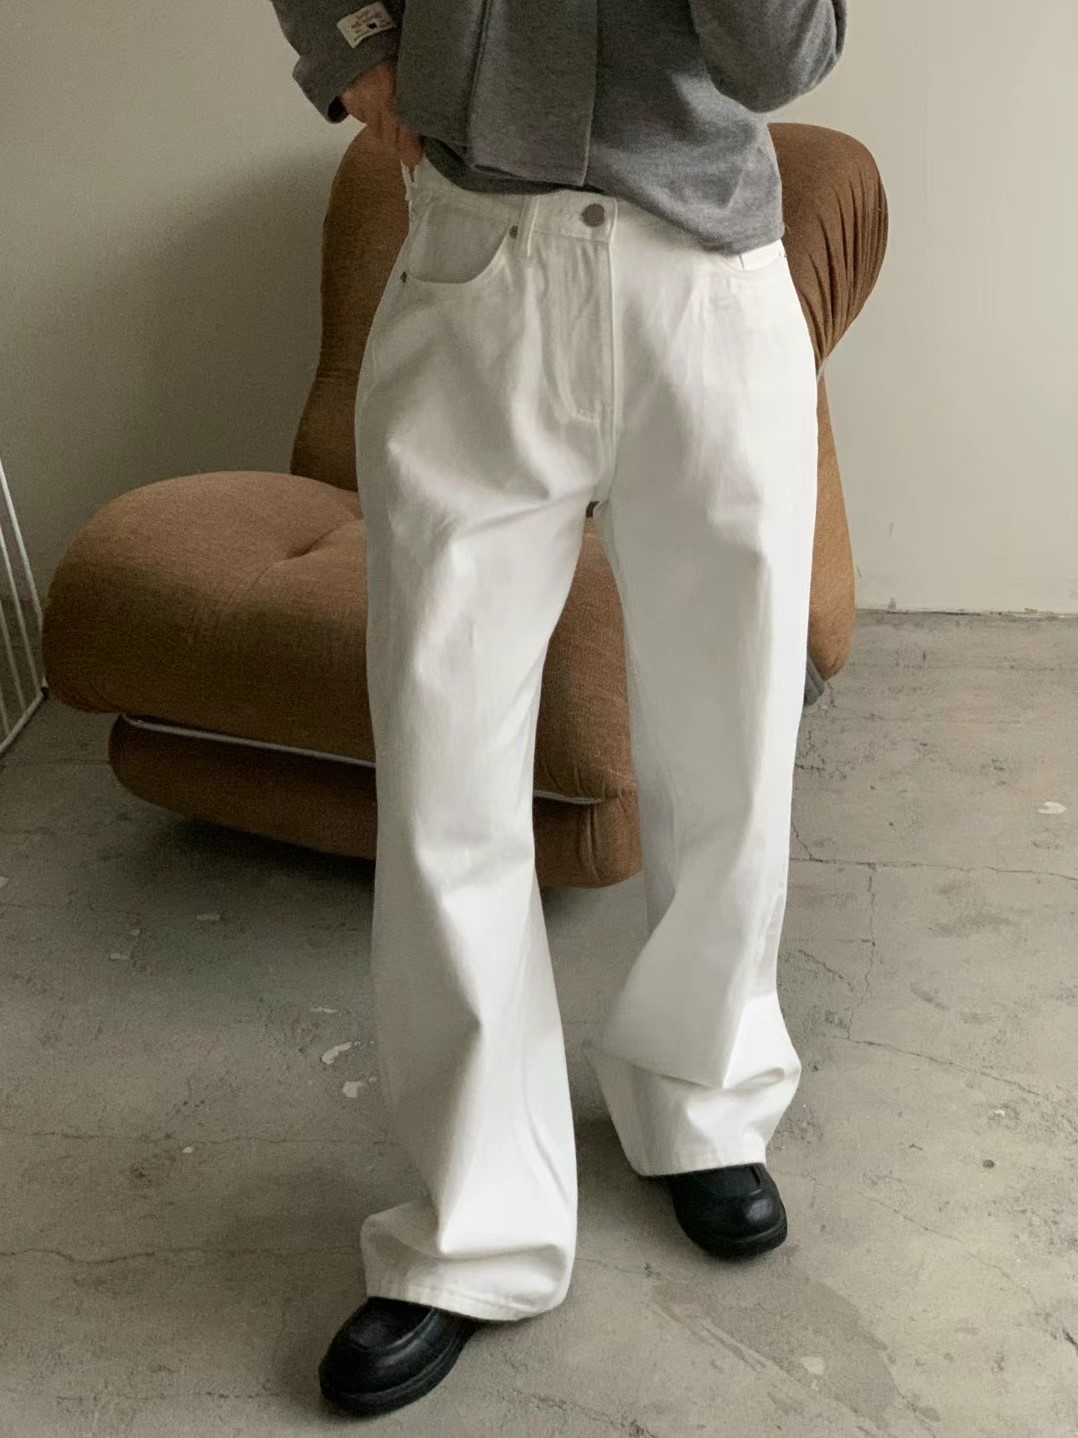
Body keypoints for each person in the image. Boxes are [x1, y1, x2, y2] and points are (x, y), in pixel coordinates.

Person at [268, 0, 847, 1417]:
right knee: (444, 762)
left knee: (730, 746)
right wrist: (353, 45)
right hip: (481, 262)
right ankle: (477, 1220)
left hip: (708, 284)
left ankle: (702, 1099)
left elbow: (780, 55)